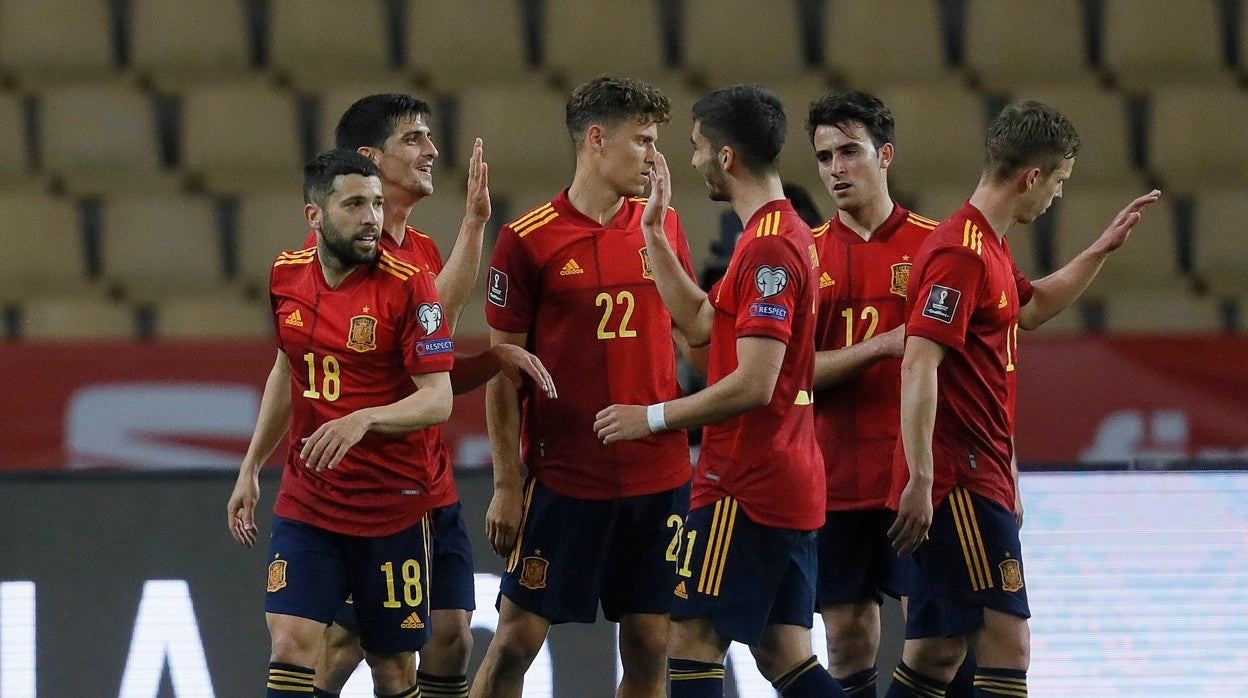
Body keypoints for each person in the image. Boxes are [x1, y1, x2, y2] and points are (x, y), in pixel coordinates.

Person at [885, 101, 1160, 697]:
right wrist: (924, 478)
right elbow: (918, 361)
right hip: (958, 478)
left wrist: (1099, 250)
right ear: (1032, 178)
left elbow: (1030, 309)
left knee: (937, 652)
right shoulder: (960, 252)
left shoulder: (989, 245)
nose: (1057, 198)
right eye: (1058, 183)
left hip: (976, 474)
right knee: (1008, 641)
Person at [595, 84, 846, 697]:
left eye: (697, 147)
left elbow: (755, 384)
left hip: (746, 482)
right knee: (784, 653)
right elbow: (707, 324)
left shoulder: (767, 248)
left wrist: (652, 417)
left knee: (692, 643)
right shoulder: (777, 232)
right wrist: (653, 232)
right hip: (786, 476)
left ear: (727, 158)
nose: (693, 160)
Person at [310, 94, 554, 698]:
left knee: (451, 635)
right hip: (370, 489)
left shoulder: (418, 248)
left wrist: (493, 360)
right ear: (369, 158)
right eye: (414, 138)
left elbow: (432, 365)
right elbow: (435, 316)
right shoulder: (348, 258)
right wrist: (474, 225)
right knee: (350, 646)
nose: (431, 150)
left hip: (428, 476)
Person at [470, 75, 697, 698]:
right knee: (516, 644)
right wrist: (507, 486)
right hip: (565, 479)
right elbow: (502, 371)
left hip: (658, 476)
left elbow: (691, 332)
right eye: (643, 142)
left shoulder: (664, 227)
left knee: (652, 644)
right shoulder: (527, 239)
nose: (655, 158)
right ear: (596, 140)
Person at [226, 148, 455, 698]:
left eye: (377, 203)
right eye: (354, 204)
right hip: (311, 499)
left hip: (391, 503)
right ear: (315, 216)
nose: (372, 217)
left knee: (392, 668)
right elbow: (286, 369)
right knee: (290, 644)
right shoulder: (285, 274)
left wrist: (365, 419)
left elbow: (439, 399)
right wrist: (251, 465)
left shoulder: (410, 284)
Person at [805, 90, 968, 697]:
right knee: (846, 634)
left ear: (885, 155)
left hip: (918, 474)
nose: (836, 169)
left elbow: (981, 369)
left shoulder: (937, 246)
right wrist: (875, 347)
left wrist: (1007, 468)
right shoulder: (806, 254)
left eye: (850, 151)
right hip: (834, 476)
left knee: (941, 632)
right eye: (824, 158)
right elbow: (787, 374)